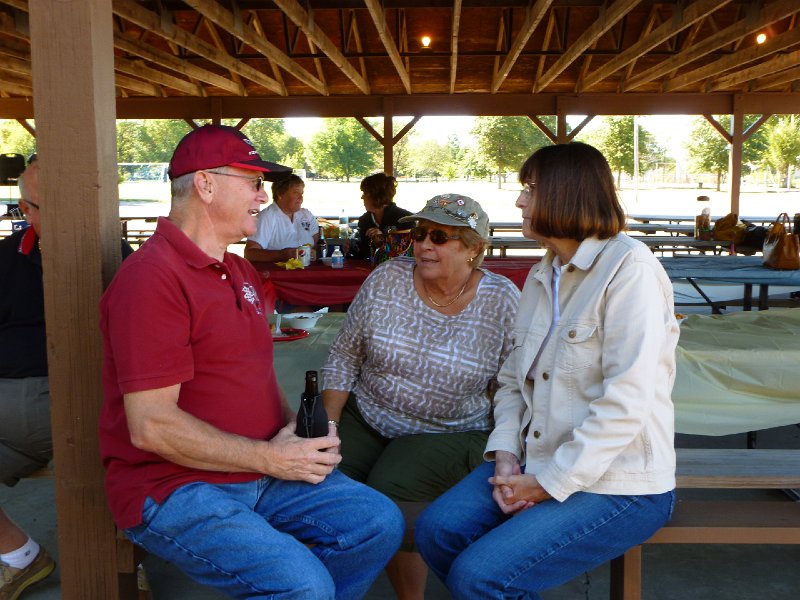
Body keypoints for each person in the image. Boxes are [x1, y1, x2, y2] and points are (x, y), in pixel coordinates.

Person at [98, 124, 403, 599]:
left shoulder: (238, 267)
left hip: (261, 468)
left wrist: (300, 435)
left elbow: (252, 374)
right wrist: (269, 457)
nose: (263, 196)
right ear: (206, 184)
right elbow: (151, 427)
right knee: (303, 585)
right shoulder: (152, 278)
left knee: (377, 523)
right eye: (254, 182)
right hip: (176, 483)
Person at [415, 142, 678, 599]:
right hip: (535, 460)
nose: (520, 201)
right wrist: (505, 453)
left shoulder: (630, 268)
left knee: (478, 577)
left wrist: (546, 484)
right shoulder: (545, 273)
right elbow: (513, 380)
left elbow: (627, 400)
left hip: (620, 482)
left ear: (565, 194)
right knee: (437, 531)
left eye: (530, 189)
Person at [321, 194, 520, 600]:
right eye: (420, 234)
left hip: (452, 430)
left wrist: (508, 451)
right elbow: (344, 356)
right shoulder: (387, 278)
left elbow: (515, 387)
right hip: (370, 413)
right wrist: (326, 428)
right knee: (318, 480)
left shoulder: (501, 300)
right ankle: (315, 587)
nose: (424, 245)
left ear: (474, 248)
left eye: (440, 237)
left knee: (388, 489)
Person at [0, 157, 132, 598]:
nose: (65, 216)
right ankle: (20, 555)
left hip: (84, 402)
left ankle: (125, 558)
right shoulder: (5, 258)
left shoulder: (115, 255)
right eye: (48, 206)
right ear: (26, 209)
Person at [244, 173, 319, 263]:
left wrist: (315, 253)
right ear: (280, 194)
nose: (301, 198)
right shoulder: (266, 217)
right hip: (276, 271)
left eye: (301, 193)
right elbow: (250, 253)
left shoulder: (306, 215)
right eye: (296, 193)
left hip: (308, 269)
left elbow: (317, 244)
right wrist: (281, 255)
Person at [353, 172, 413, 259]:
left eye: (365, 193)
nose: (362, 197)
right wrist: (352, 247)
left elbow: (408, 252)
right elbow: (364, 253)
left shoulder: (406, 219)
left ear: (376, 196)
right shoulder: (365, 220)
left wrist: (384, 239)